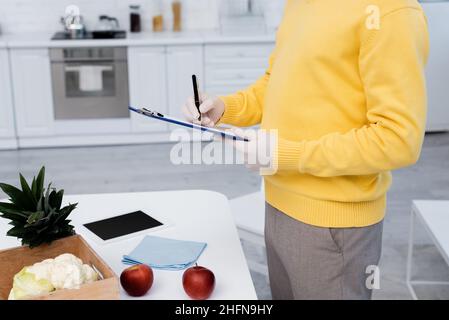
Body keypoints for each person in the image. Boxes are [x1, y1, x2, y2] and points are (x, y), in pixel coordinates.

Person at [182, 0, 429, 300]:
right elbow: (277, 81)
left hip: (333, 225)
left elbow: (398, 139)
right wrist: (224, 108)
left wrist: (281, 154)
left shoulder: (391, 12)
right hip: (277, 205)